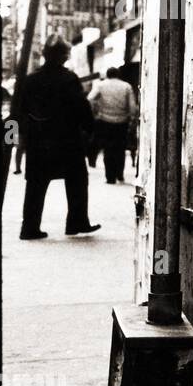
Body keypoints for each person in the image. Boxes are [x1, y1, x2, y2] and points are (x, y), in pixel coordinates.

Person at [13, 36, 100, 239]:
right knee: (77, 180)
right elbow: (81, 106)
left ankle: (29, 227)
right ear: (63, 56)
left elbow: (20, 110)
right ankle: (76, 222)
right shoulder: (69, 79)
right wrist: (90, 127)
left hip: (38, 141)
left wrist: (19, 135)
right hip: (66, 140)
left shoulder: (30, 80)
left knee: (35, 184)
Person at [87, 66, 138, 184]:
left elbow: (89, 99)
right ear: (118, 75)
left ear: (108, 75)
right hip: (122, 122)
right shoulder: (126, 86)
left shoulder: (100, 85)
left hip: (105, 121)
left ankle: (110, 177)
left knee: (108, 149)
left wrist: (96, 112)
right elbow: (132, 107)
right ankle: (119, 174)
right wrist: (131, 119)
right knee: (120, 149)